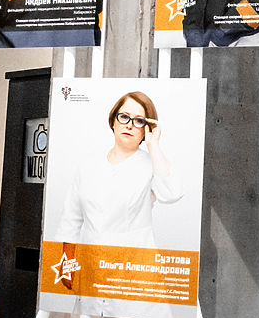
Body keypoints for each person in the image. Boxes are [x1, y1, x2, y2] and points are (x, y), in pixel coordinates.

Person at [55, 91, 183, 251]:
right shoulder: (88, 165)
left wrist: (153, 145)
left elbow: (171, 194)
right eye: (124, 117)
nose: (129, 125)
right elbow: (70, 221)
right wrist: (65, 264)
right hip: (91, 260)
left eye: (139, 121)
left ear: (146, 129)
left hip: (134, 262)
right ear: (113, 121)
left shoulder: (152, 164)